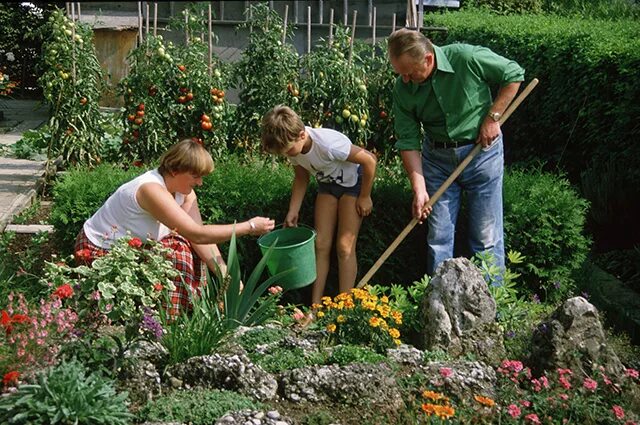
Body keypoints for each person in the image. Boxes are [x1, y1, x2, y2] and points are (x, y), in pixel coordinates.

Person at [74, 138, 275, 316]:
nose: (200, 182)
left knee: (184, 250)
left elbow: (201, 239)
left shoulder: (185, 193)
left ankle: (182, 315)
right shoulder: (150, 189)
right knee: (177, 253)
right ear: (174, 170)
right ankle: (160, 319)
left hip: (135, 245)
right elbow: (197, 234)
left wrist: (226, 277)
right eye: (195, 176)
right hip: (102, 250)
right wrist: (249, 226)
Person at [387, 28, 525, 276]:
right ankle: (438, 307)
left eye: (409, 73)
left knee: (486, 235)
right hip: (437, 162)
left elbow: (514, 74)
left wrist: (493, 118)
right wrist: (419, 190)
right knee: (438, 236)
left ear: (428, 59)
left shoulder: (466, 58)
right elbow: (408, 141)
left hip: (481, 154)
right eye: (401, 74)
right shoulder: (402, 88)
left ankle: (495, 306)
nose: (405, 80)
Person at [261, 105, 377, 306]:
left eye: (288, 151)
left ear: (302, 135)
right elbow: (301, 177)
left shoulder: (329, 145)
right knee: (320, 244)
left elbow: (369, 160)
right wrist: (293, 210)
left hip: (353, 185)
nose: (288, 155)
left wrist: (365, 196)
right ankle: (315, 308)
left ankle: (345, 308)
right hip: (327, 185)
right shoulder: (292, 146)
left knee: (344, 247)